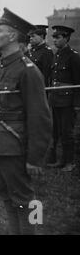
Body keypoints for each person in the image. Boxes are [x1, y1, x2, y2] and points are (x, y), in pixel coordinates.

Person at [0, 8, 52, 234]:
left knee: (27, 200)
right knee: (7, 197)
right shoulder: (2, 65)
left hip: (15, 146)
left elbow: (40, 116)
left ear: (12, 36)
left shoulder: (28, 70)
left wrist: (35, 157)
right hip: (0, 144)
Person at [47, 25, 80, 172]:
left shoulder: (74, 56)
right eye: (53, 37)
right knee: (57, 131)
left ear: (66, 38)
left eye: (58, 37)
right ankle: (61, 160)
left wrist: (77, 104)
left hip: (68, 102)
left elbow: (78, 83)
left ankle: (70, 162)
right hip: (55, 100)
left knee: (67, 133)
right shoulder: (56, 55)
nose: (54, 39)